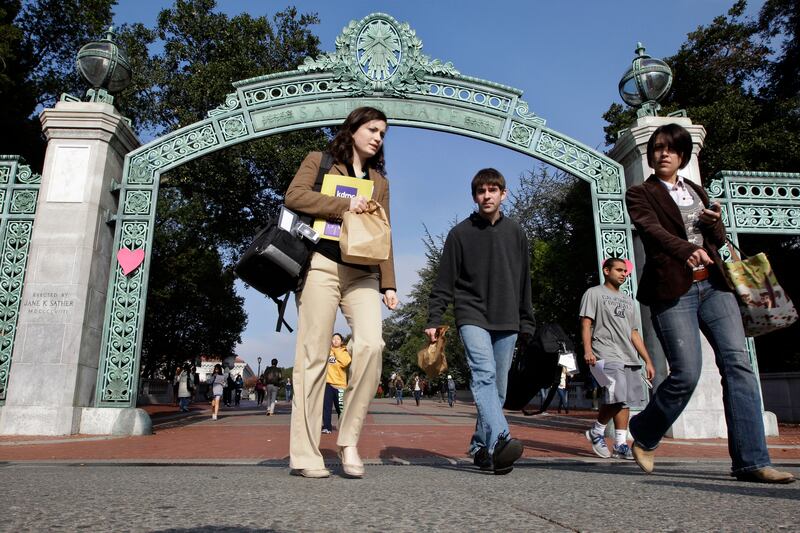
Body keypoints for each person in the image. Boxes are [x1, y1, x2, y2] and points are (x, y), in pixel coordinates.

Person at [625, 123, 794, 483]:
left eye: (670, 148)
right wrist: (687, 249)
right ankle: (645, 430)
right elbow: (652, 231)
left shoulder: (697, 191)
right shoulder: (640, 193)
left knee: (738, 365)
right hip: (674, 292)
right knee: (686, 373)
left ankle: (752, 461)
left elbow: (718, 240)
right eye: (657, 148)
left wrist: (714, 224)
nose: (663, 154)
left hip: (715, 287)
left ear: (683, 155)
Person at [284, 106, 398, 479]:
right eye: (372, 129)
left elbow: (385, 230)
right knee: (313, 355)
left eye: (383, 132)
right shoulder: (319, 161)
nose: (378, 137)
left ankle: (347, 440)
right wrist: (343, 205)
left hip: (363, 272)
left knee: (371, 345)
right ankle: (305, 453)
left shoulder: (380, 181)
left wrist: (389, 282)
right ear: (353, 129)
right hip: (321, 264)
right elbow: (294, 197)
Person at [425, 168, 536, 475]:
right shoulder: (459, 234)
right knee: (484, 376)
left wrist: (527, 321)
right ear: (474, 197)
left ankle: (479, 446)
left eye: (492, 190)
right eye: (480, 191)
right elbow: (444, 282)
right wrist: (435, 317)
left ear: (504, 193)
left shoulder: (517, 233)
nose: (486, 196)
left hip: (508, 318)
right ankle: (502, 440)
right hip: (471, 315)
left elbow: (524, 281)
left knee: (498, 389)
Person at [580, 257, 655, 460]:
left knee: (625, 401)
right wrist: (588, 350)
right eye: (619, 270)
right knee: (617, 393)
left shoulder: (628, 301)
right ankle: (596, 431)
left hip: (628, 356)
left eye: (625, 271)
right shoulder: (593, 293)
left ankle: (621, 444)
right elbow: (586, 324)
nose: (624, 274)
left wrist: (647, 360)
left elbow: (634, 333)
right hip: (604, 352)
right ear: (606, 270)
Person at [323, 333, 351, 434]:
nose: (335, 341)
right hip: (328, 383)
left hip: (340, 385)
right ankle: (327, 427)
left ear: (341, 341)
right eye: (333, 339)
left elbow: (345, 363)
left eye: (338, 339)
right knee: (326, 407)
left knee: (341, 408)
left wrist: (336, 351)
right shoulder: (327, 351)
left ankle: (342, 426)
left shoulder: (344, 352)